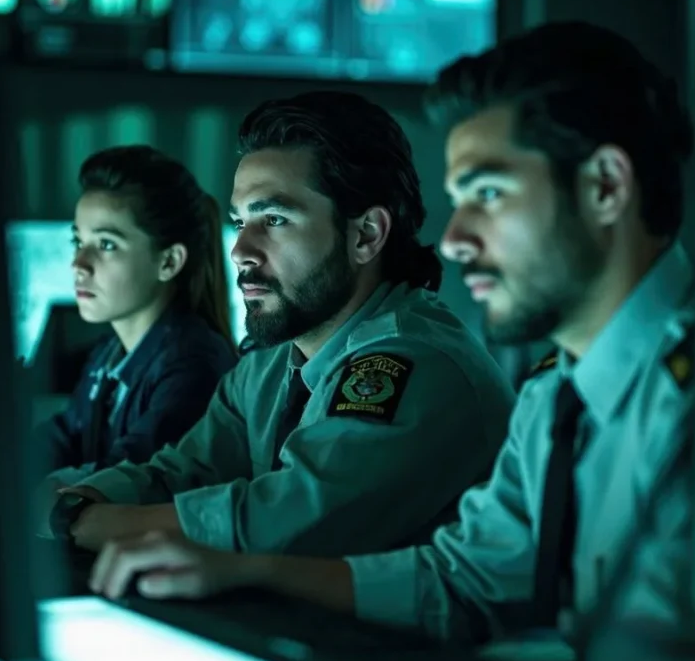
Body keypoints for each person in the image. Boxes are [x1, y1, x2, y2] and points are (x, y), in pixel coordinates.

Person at [85, 23, 695, 648]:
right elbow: (465, 579)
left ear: (605, 188)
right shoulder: (557, 396)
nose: (456, 239)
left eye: (489, 193)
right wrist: (241, 570)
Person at [47, 91, 515, 558]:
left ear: (366, 234)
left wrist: (96, 524)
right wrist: (94, 497)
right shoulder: (271, 361)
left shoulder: (416, 364)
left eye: (273, 219)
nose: (240, 251)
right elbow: (183, 471)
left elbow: (290, 520)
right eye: (241, 221)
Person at [33, 145, 237, 490]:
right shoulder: (109, 353)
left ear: (169, 262)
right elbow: (66, 434)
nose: (79, 264)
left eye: (106, 244)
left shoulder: (193, 365)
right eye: (78, 241)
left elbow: (129, 478)